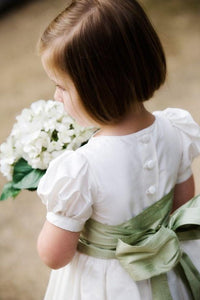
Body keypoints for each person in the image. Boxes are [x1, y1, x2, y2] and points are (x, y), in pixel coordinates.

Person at [37, 0, 200, 299]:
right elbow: (183, 204)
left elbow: (54, 255)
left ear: (97, 89)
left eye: (62, 87)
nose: (55, 96)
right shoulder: (176, 130)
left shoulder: (81, 170)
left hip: (109, 286)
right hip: (168, 273)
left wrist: (61, 209)